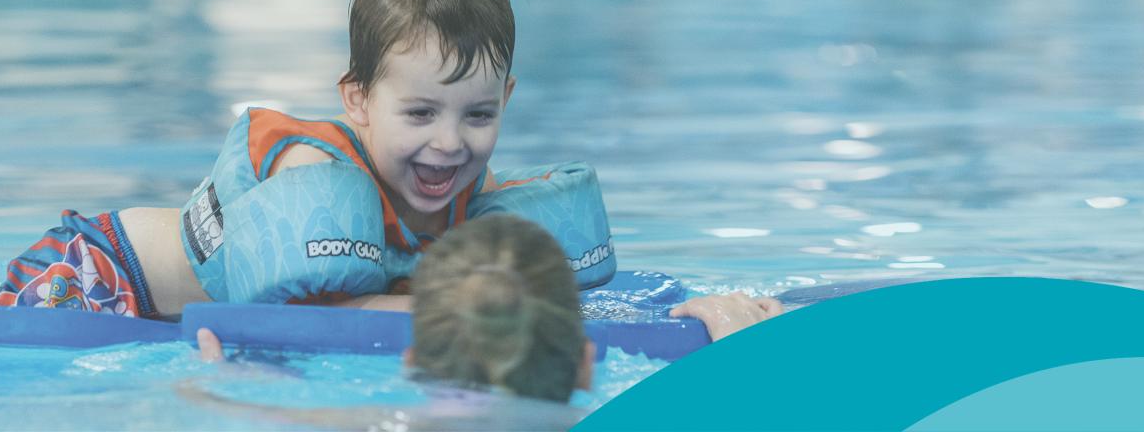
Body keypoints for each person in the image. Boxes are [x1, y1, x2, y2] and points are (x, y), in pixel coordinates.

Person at [0, 0, 577, 320]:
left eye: (477, 116)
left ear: (505, 99)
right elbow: (316, 322)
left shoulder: (474, 195)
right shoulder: (310, 172)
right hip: (96, 279)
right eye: (420, 114)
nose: (450, 143)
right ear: (358, 100)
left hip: (166, 320)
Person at [180, 215, 781, 427]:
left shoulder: (374, 423)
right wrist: (748, 347)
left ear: (411, 361)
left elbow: (264, 412)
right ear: (584, 361)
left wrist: (220, 378)